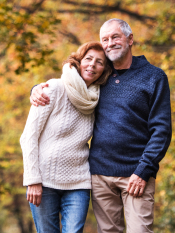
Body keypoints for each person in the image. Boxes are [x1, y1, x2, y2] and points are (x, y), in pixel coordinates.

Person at [31, 19, 172, 233]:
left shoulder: (154, 77)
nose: (110, 43)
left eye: (115, 37)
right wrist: (37, 89)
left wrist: (144, 170)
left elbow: (161, 130)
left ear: (130, 39)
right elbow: (70, 84)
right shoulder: (99, 78)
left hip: (136, 174)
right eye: (105, 39)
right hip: (99, 175)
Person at [20, 42, 113, 233]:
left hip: (78, 182)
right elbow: (29, 136)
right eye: (88, 59)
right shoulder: (53, 88)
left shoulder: (97, 99)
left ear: (104, 70)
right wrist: (33, 179)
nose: (92, 65)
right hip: (43, 181)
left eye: (99, 62)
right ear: (78, 61)